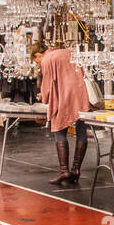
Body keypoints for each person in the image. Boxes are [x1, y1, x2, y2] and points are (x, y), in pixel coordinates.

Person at [33, 42, 94, 186]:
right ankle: (76, 169)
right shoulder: (68, 52)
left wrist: (44, 97)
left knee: (59, 130)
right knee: (81, 130)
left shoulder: (48, 59)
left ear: (38, 55)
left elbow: (47, 85)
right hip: (81, 92)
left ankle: (64, 170)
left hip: (64, 96)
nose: (38, 64)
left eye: (37, 62)